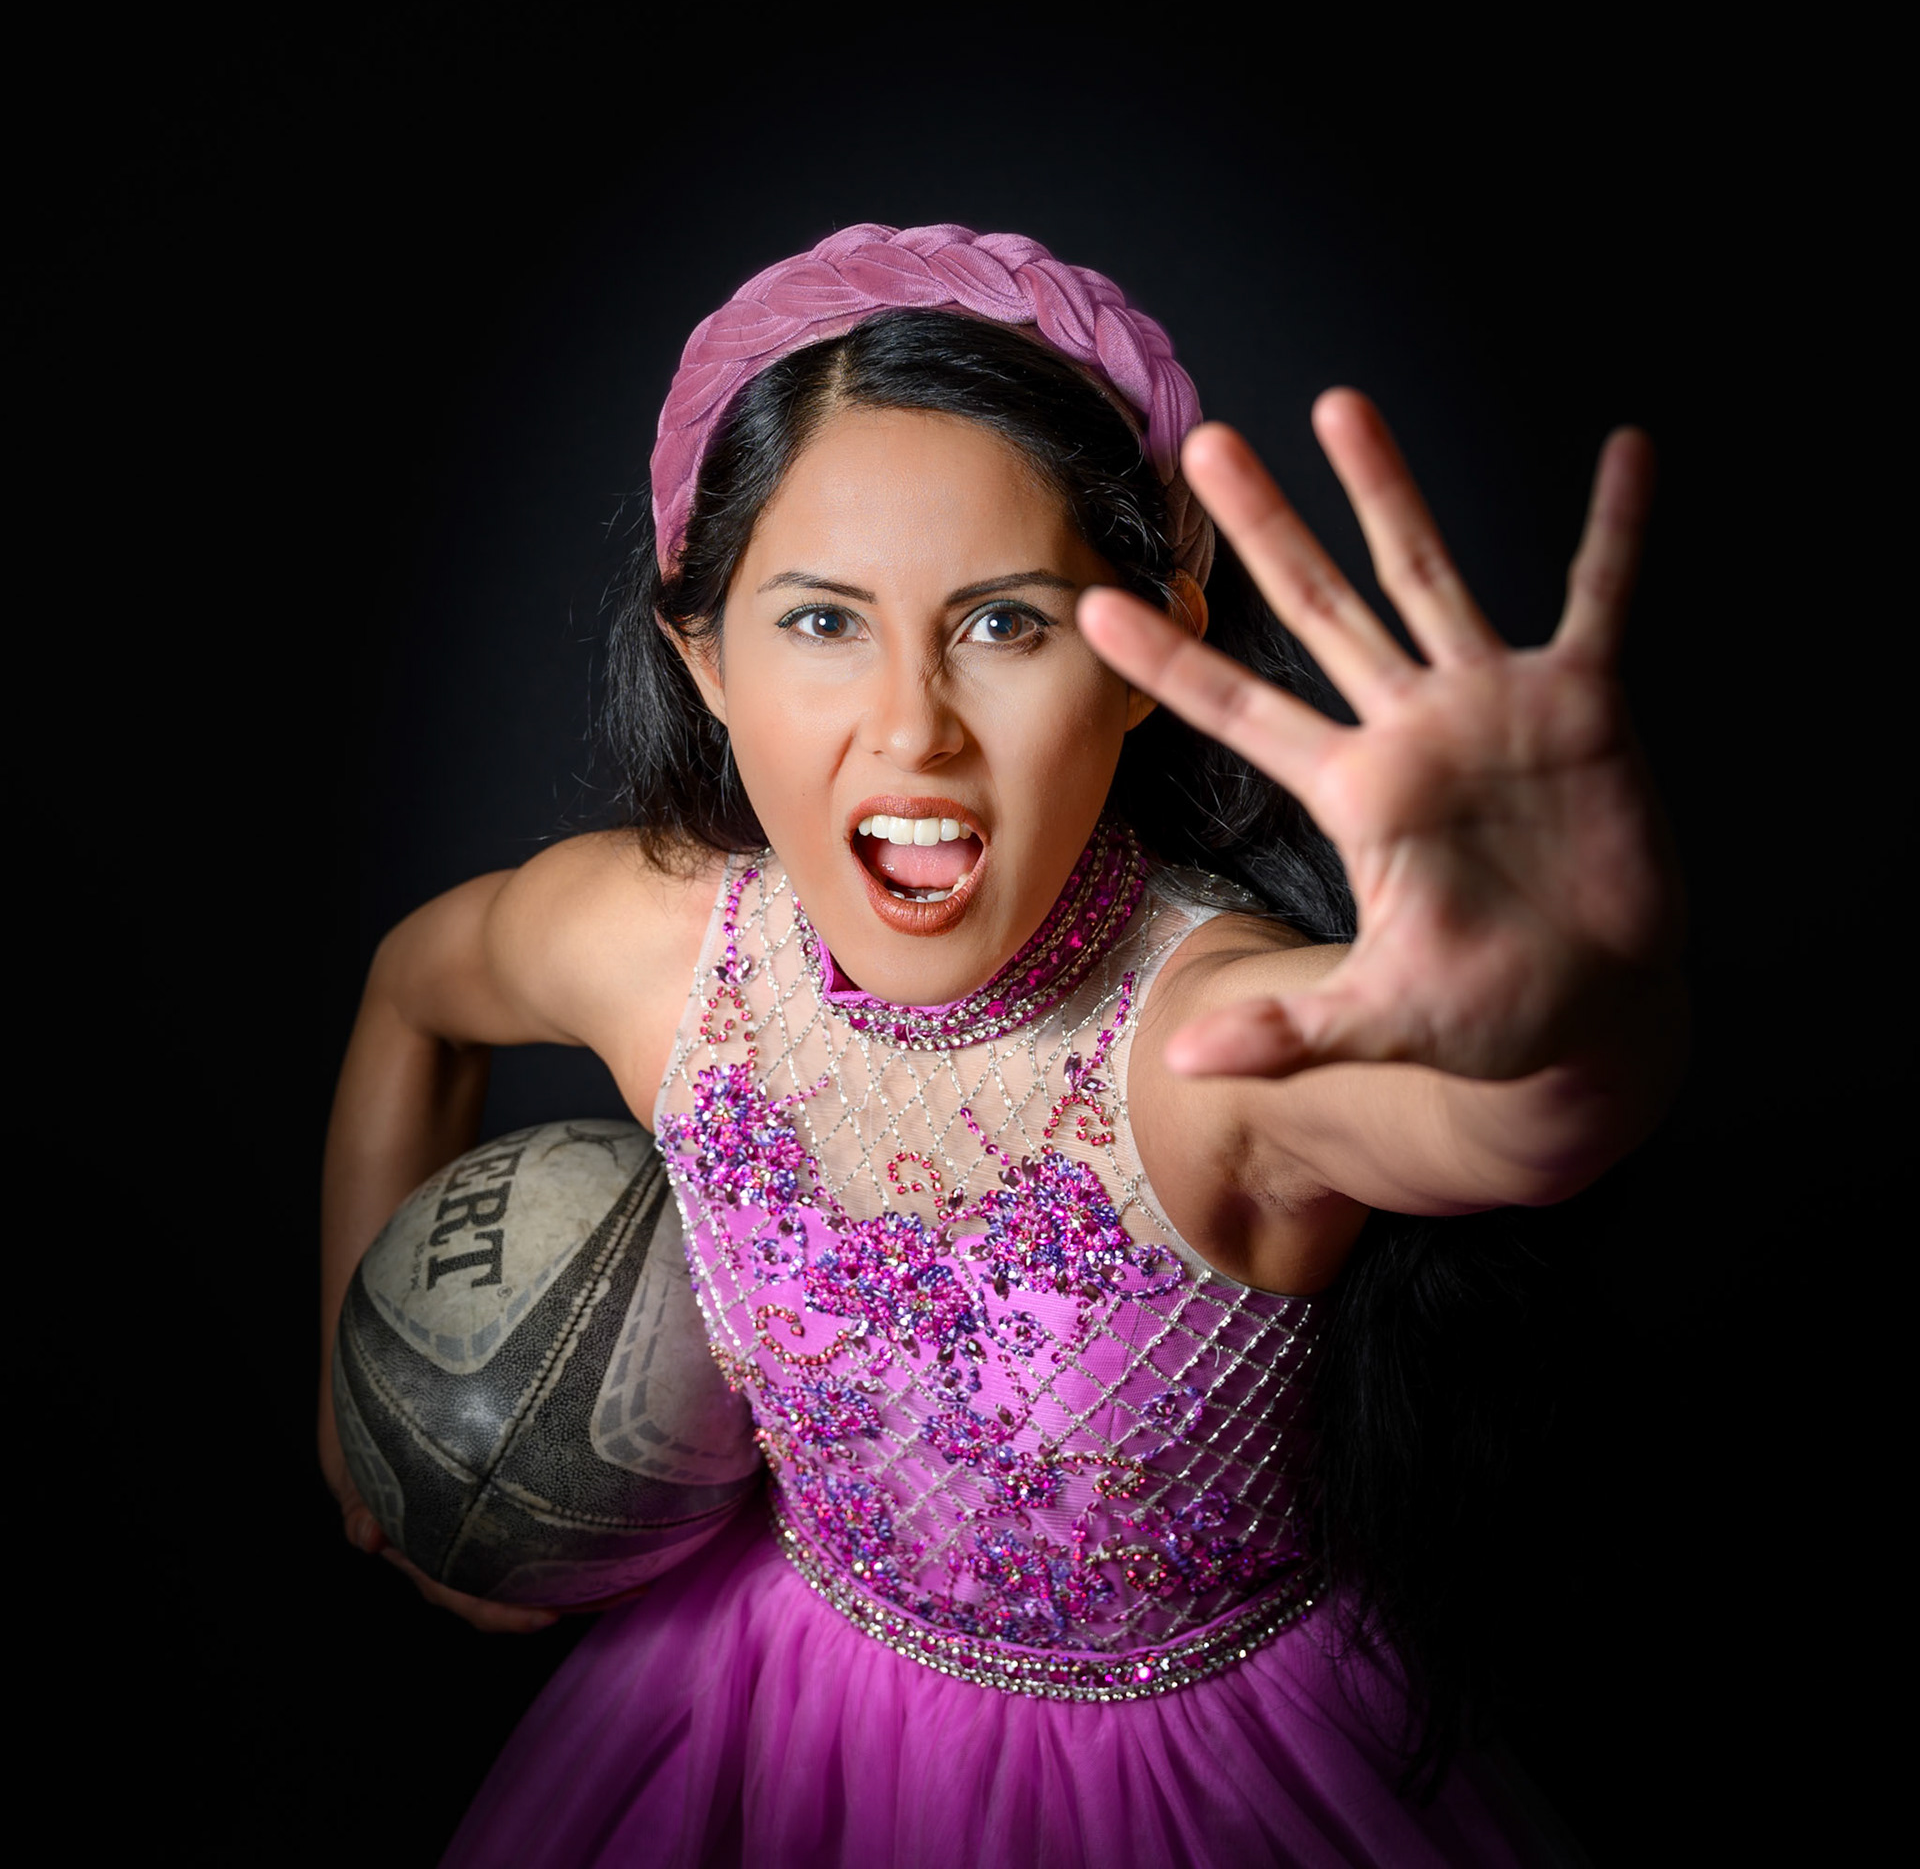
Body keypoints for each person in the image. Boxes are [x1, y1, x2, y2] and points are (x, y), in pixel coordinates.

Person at [320, 224, 1683, 1866]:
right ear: (708, 660)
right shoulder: (655, 947)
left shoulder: (1215, 1041)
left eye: (1005, 625)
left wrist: (1574, 994)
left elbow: (1531, 1121)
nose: (913, 727)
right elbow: (414, 990)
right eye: (822, 622)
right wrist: (370, 1417)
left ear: (1147, 657)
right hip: (753, 1726)